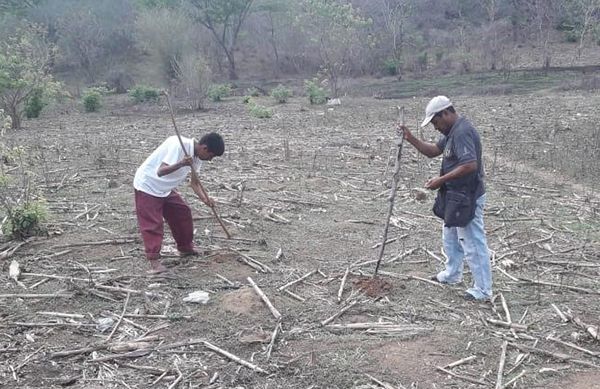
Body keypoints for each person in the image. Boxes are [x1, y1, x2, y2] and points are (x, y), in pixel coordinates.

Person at [400, 96, 492, 301]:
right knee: (450, 237)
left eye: (435, 122)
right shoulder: (451, 132)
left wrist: (441, 180)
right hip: (454, 196)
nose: (435, 127)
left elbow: (470, 165)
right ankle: (452, 274)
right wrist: (411, 138)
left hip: (468, 195)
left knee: (473, 242)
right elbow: (433, 151)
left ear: (446, 113)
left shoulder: (462, 131)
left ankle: (483, 290)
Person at [133, 132, 225, 273]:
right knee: (153, 223)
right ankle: (154, 261)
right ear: (204, 148)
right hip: (148, 185)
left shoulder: (197, 156)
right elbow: (160, 172)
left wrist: (206, 199)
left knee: (182, 213)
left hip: (165, 188)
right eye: (211, 156)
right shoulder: (178, 145)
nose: (210, 160)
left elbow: (194, 183)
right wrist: (181, 163)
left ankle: (186, 248)